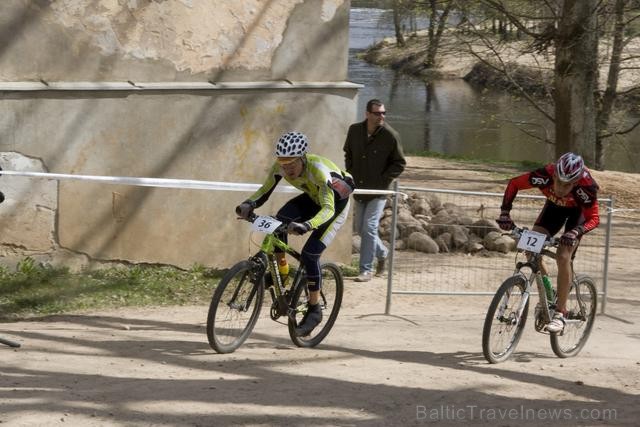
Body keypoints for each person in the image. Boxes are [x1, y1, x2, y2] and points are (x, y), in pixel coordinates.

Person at [236, 131, 353, 336]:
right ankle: (281, 273)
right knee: (279, 222)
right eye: (283, 163)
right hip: (312, 198)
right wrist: (249, 203)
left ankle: (314, 309)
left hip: (334, 207)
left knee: (310, 254)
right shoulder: (280, 167)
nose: (287, 168)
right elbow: (265, 190)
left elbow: (328, 209)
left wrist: (307, 226)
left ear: (302, 158)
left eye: (291, 163)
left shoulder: (318, 171)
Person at [497, 152, 600, 333]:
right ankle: (548, 294)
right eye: (558, 181)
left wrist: (576, 232)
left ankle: (560, 312)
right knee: (530, 248)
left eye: (567, 184)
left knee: (563, 255)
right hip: (554, 209)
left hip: (578, 215)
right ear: (553, 175)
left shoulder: (586, 188)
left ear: (575, 183)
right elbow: (514, 183)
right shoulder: (544, 175)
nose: (560, 187)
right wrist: (505, 212)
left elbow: (594, 218)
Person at [343, 99, 406, 282]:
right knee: (362, 230)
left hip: (379, 191)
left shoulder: (390, 135)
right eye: (377, 113)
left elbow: (399, 163)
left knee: (369, 227)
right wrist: (350, 173)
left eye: (383, 113)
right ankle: (383, 253)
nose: (382, 116)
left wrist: (383, 181)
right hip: (359, 188)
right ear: (367, 114)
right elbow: (348, 153)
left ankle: (365, 270)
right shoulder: (354, 130)